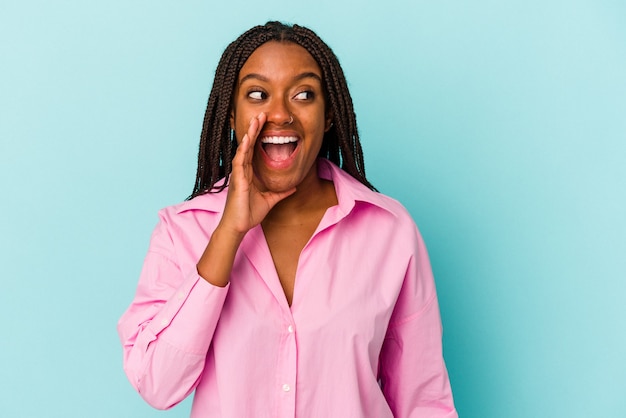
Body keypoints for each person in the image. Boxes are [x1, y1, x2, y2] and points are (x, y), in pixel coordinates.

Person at [118, 21, 457, 417]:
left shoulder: (389, 231)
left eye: (303, 94)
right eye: (258, 94)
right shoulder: (182, 231)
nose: (279, 114)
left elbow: (423, 402)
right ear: (231, 114)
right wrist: (229, 231)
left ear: (328, 115)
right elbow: (158, 385)